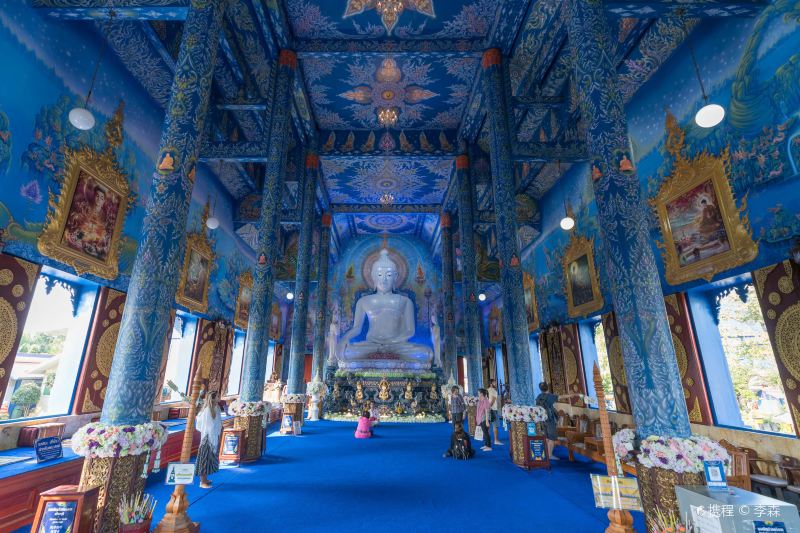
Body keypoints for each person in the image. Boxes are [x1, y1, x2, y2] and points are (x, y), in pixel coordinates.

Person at [535, 382, 580, 460]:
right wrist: (572, 395)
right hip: (550, 418)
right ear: (548, 387)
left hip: (542, 418)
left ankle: (546, 453)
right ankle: (549, 455)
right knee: (552, 438)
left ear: (540, 389)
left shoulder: (539, 396)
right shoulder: (550, 396)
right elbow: (562, 397)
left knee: (547, 437)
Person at [195, 390, 222, 488]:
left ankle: (205, 479)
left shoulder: (216, 407)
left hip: (214, 435)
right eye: (218, 396)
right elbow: (207, 425)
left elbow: (217, 422)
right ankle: (202, 482)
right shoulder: (207, 410)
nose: (220, 397)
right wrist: (212, 437)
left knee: (209, 458)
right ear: (213, 398)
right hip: (208, 437)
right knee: (204, 458)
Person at [487, 379, 503, 446]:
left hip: (487, 410)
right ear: (491, 384)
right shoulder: (494, 391)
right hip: (493, 409)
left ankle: (488, 440)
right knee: (495, 425)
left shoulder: (486, 390)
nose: (495, 384)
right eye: (494, 382)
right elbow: (493, 400)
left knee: (488, 425)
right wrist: (489, 407)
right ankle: (496, 440)